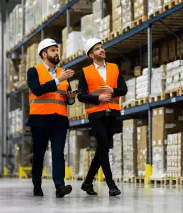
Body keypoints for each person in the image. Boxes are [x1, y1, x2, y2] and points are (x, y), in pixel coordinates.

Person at [77, 38, 127, 196]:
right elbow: (81, 96)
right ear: (91, 55)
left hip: (112, 113)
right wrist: (97, 99)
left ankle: (87, 182)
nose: (102, 50)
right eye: (97, 49)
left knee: (102, 149)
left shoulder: (114, 68)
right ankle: (111, 185)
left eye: (102, 47)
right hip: (96, 115)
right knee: (104, 147)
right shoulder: (85, 72)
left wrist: (113, 90)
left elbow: (123, 89)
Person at [27, 38, 76, 198]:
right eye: (53, 50)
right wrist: (58, 80)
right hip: (40, 119)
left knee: (58, 153)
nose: (57, 53)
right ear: (44, 54)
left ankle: (59, 186)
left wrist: (71, 98)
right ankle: (37, 186)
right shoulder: (33, 71)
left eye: (57, 50)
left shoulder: (63, 73)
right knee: (39, 154)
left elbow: (66, 98)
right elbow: (37, 90)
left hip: (59, 119)